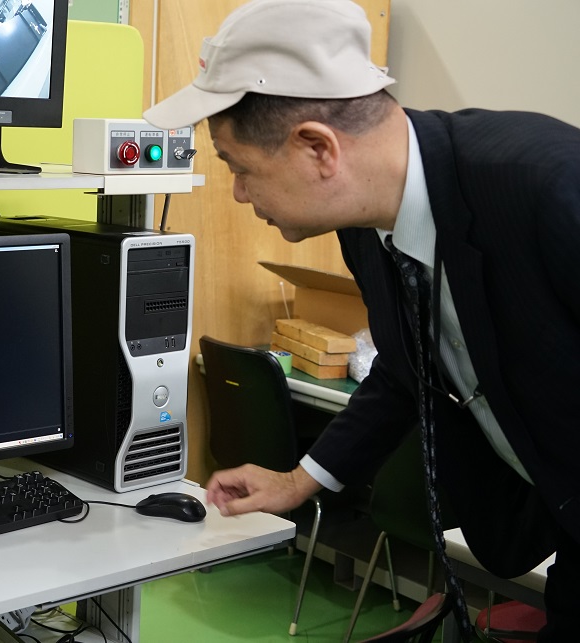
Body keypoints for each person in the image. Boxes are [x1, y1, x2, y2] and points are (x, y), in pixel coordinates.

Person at [143, 0, 580, 640]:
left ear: (318, 148)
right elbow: (407, 371)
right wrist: (299, 481)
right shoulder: (365, 224)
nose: (240, 193)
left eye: (241, 169)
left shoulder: (546, 185)